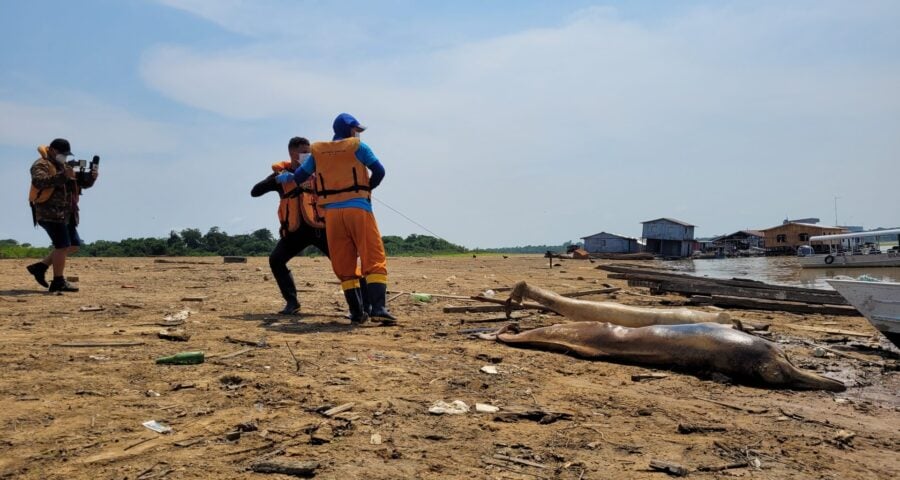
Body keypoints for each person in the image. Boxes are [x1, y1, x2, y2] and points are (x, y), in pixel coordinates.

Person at [276, 113, 396, 325]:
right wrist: (368, 187)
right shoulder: (359, 147)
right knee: (373, 257)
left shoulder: (318, 152)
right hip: (358, 210)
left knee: (344, 262)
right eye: (356, 130)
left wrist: (287, 178)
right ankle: (378, 307)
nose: (357, 134)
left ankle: (357, 313)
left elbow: (300, 177)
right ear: (350, 130)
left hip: (331, 216)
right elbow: (379, 171)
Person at [251, 137, 331, 315]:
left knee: (343, 261)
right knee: (276, 260)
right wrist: (276, 181)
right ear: (292, 153)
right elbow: (255, 192)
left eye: (309, 152)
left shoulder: (319, 171)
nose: (307, 155)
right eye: (303, 152)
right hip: (295, 231)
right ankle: (292, 302)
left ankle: (362, 304)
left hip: (319, 228)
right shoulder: (281, 174)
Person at [26, 138, 98, 292]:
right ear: (52, 150)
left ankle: (40, 266)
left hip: (67, 213)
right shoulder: (41, 164)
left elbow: (79, 183)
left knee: (73, 244)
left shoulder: (63, 166)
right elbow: (39, 182)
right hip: (49, 212)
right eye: (62, 153)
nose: (64, 157)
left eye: (66, 154)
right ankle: (58, 281)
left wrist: (91, 178)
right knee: (62, 246)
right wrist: (64, 175)